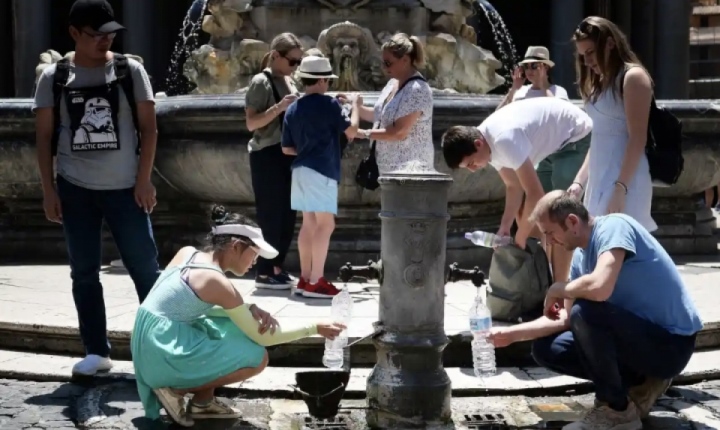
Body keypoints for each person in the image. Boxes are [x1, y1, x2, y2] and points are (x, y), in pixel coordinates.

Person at [489, 191, 702, 430]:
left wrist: (560, 288)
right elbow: (566, 319)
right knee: (547, 348)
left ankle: (617, 410)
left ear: (571, 222)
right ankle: (636, 384)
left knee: (586, 312)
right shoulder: (581, 256)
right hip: (640, 339)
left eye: (550, 233)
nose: (549, 242)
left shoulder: (614, 226)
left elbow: (600, 288)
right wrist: (509, 335)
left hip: (671, 345)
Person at [33, 0, 160, 376]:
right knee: (83, 272)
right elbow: (42, 139)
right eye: (96, 34)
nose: (106, 40)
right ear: (74, 34)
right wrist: (49, 189)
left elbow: (150, 129)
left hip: (126, 189)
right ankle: (96, 351)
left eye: (110, 33)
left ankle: (158, 349)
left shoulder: (129, 70)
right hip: (75, 188)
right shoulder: (54, 77)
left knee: (146, 270)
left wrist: (144, 179)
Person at [131, 205, 345, 427]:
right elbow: (265, 337)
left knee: (223, 328)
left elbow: (177, 304)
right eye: (254, 254)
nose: (255, 262)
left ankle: (203, 403)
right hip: (161, 350)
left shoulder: (188, 253)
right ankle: (174, 390)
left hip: (147, 342)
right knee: (257, 357)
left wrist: (249, 307)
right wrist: (314, 328)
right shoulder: (217, 282)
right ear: (235, 246)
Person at [441, 97, 592, 282]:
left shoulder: (504, 139)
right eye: (468, 167)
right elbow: (514, 186)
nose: (473, 169)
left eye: (471, 163)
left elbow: (534, 194)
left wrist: (520, 238)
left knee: (560, 216)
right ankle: (544, 281)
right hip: (550, 147)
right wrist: (505, 225)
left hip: (575, 136)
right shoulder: (486, 145)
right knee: (541, 220)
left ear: (478, 144)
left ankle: (560, 290)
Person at [281, 56, 361, 298]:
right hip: (321, 171)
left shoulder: (293, 108)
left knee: (308, 224)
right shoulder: (329, 105)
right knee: (326, 225)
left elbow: (286, 148)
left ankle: (305, 279)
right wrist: (356, 104)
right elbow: (352, 131)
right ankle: (317, 281)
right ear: (323, 79)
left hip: (300, 170)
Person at [569, 16, 656, 232]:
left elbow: (638, 138)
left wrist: (620, 188)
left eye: (590, 52)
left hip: (625, 179)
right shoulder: (595, 83)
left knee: (623, 248)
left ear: (610, 44)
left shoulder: (633, 77)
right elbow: (598, 137)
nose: (587, 61)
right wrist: (579, 182)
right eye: (583, 55)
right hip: (599, 178)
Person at [244, 32, 303, 290]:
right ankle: (265, 270)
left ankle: (277, 266)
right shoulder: (261, 81)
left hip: (288, 154)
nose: (296, 67)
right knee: (271, 215)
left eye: (299, 62)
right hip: (266, 154)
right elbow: (251, 122)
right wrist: (279, 108)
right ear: (276, 56)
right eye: (292, 61)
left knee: (288, 215)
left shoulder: (289, 81)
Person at [354, 33, 434, 174]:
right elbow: (379, 115)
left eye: (388, 63)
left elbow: (399, 132)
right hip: (389, 171)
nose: (384, 68)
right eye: (383, 63)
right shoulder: (392, 83)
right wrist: (353, 106)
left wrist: (362, 133)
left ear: (405, 60)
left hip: (411, 172)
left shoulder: (417, 90)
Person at [496, 46, 570, 110]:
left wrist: (542, 86)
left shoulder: (558, 91)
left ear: (546, 67)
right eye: (526, 66)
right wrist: (514, 88)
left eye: (534, 66)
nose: (529, 70)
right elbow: (496, 115)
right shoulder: (520, 91)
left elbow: (558, 113)